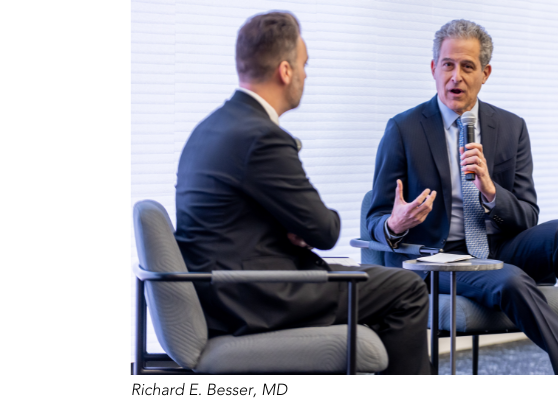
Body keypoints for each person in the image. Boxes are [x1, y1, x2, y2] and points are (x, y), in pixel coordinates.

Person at [174, 11, 430, 375]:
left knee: (367, 280)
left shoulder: (211, 127)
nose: (307, 75)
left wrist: (289, 227)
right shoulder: (262, 137)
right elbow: (325, 231)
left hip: (223, 289)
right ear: (285, 71)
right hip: (257, 295)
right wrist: (300, 227)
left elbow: (237, 218)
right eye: (304, 64)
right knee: (406, 288)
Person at [367, 19, 558, 375]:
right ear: (433, 68)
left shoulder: (511, 127)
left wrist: (491, 192)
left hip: (498, 247)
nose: (455, 77)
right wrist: (395, 224)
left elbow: (527, 215)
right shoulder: (403, 129)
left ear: (485, 73)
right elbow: (376, 218)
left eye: (467, 66)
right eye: (447, 64)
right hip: (438, 260)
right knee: (508, 278)